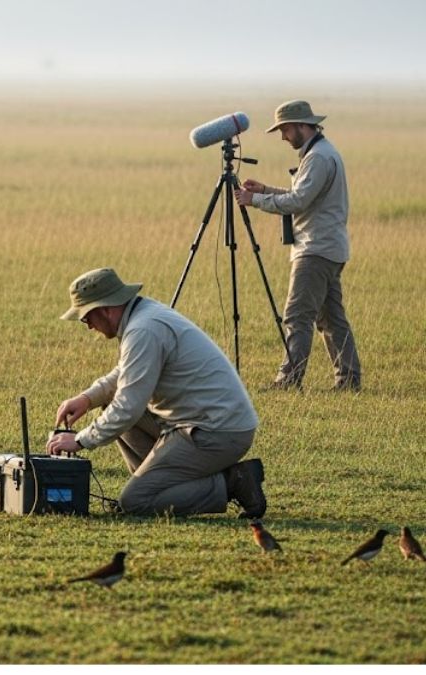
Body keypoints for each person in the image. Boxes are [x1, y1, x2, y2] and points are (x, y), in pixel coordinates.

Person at [45, 268, 267, 518]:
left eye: (87, 319)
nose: (88, 327)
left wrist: (80, 440)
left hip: (216, 432)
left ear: (105, 308)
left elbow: (128, 407)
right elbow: (127, 374)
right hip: (198, 423)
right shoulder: (143, 316)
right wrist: (88, 398)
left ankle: (233, 481)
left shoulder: (143, 330)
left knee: (135, 502)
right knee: (110, 404)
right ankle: (161, 485)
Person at [234, 99, 361, 391]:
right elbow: (303, 196)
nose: (283, 136)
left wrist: (255, 200)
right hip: (328, 247)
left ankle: (289, 381)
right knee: (331, 319)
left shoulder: (317, 158)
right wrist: (265, 190)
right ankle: (349, 379)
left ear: (303, 125)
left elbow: (298, 201)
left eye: (286, 129)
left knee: (296, 315)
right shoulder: (320, 152)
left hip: (315, 249)